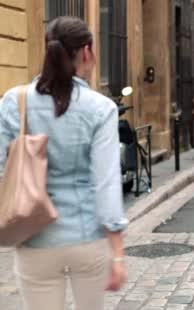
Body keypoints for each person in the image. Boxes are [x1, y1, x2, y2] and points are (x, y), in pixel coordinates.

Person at [0, 16, 128, 310]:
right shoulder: (101, 109)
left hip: (34, 238)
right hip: (87, 239)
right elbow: (106, 182)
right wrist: (118, 253)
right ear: (87, 51)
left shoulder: (13, 101)